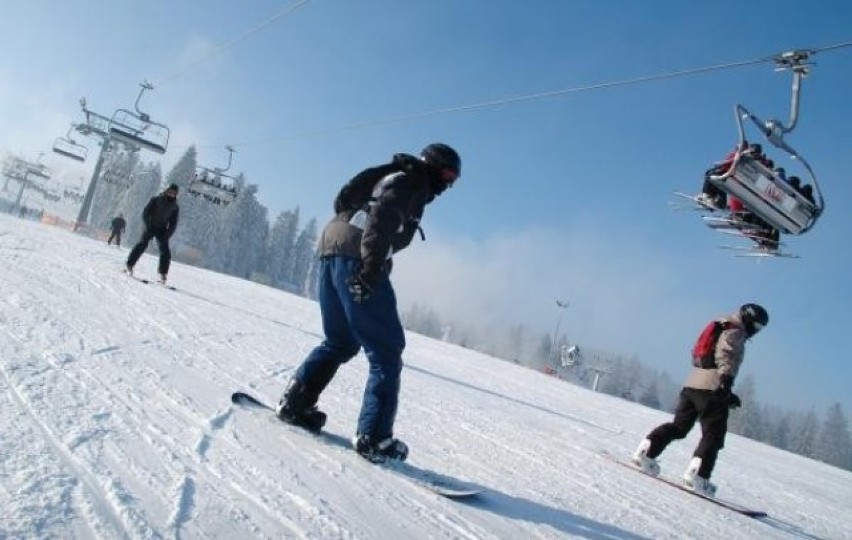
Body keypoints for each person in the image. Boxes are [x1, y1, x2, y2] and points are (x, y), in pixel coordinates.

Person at [275, 143, 462, 463]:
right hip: (357, 256)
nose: (447, 184)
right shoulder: (412, 182)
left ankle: (296, 402)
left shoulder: (390, 175)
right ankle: (374, 436)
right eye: (446, 174)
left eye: (453, 179)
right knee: (386, 350)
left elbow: (342, 200)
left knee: (340, 340)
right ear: (432, 166)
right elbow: (384, 216)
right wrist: (371, 269)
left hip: (330, 246)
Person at [631, 303, 769, 497]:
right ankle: (698, 477)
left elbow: (702, 354)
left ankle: (646, 452)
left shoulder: (720, 323)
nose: (757, 330)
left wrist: (727, 391)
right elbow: (725, 354)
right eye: (757, 325)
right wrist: (725, 382)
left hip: (692, 384)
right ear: (748, 317)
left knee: (679, 427)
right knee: (714, 435)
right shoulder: (735, 330)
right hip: (712, 389)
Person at [126, 184, 180, 283]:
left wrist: (168, 233)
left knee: (165, 251)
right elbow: (145, 213)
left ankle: (163, 274)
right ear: (166, 191)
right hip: (151, 225)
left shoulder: (175, 207)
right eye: (170, 191)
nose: (171, 194)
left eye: (174, 193)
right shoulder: (156, 199)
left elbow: (173, 223)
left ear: (176, 195)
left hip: (162, 229)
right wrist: (148, 224)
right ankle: (130, 264)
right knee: (142, 244)